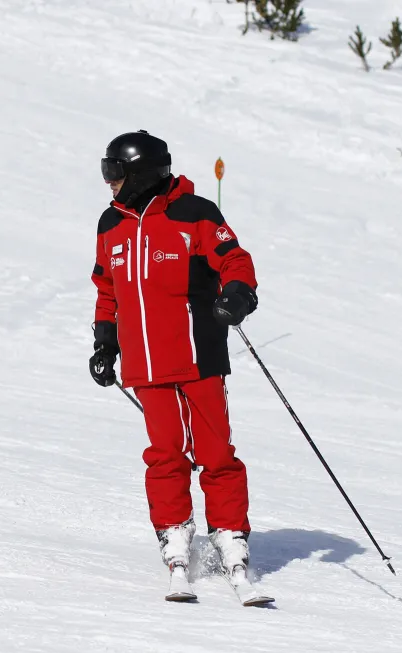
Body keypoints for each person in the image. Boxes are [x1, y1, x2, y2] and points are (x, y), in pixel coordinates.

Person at [88, 131, 260, 578]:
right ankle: (175, 532)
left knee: (215, 452)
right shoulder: (111, 224)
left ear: (140, 173)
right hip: (145, 364)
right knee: (165, 454)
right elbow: (107, 289)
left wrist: (239, 293)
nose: (108, 182)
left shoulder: (195, 214)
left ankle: (230, 536)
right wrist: (105, 342)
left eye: (114, 172)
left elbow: (233, 258)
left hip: (198, 354)